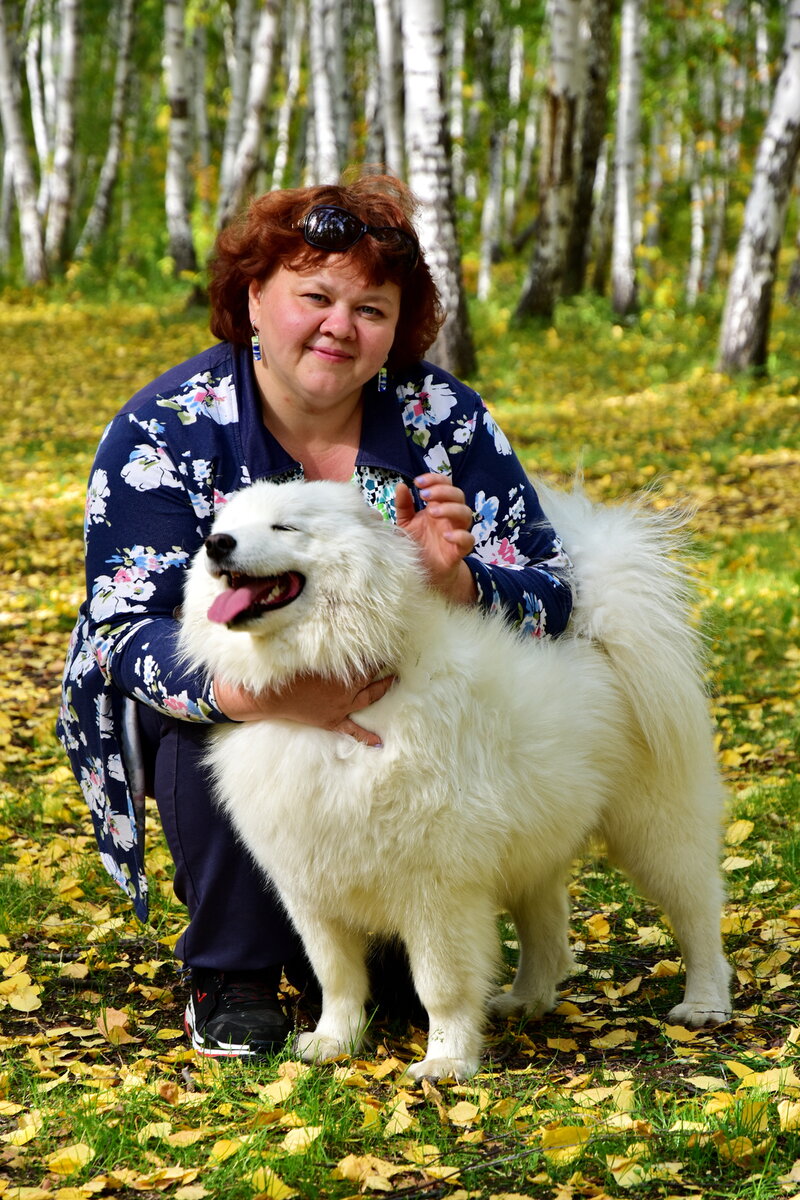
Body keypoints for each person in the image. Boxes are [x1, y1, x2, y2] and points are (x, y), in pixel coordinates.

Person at [56, 172, 574, 1059]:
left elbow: (553, 597)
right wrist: (272, 697)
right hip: (218, 701)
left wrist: (453, 586)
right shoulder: (164, 429)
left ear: (396, 329)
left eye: (372, 308)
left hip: (403, 711)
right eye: (315, 296)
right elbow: (120, 634)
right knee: (206, 724)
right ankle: (234, 969)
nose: (341, 325)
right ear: (254, 297)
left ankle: (387, 948)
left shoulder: (440, 417)